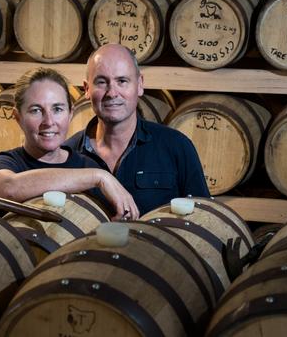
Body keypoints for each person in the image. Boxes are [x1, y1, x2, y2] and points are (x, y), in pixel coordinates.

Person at [66, 43, 210, 215]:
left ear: (140, 84)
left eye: (122, 81)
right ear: (87, 89)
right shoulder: (68, 154)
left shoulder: (177, 147)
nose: (112, 92)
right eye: (102, 82)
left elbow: (205, 218)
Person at [0, 67, 139, 220]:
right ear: (18, 117)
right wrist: (98, 177)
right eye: (36, 110)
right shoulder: (4, 163)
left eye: (57, 109)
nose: (49, 122)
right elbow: (9, 189)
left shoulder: (87, 165)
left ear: (70, 114)